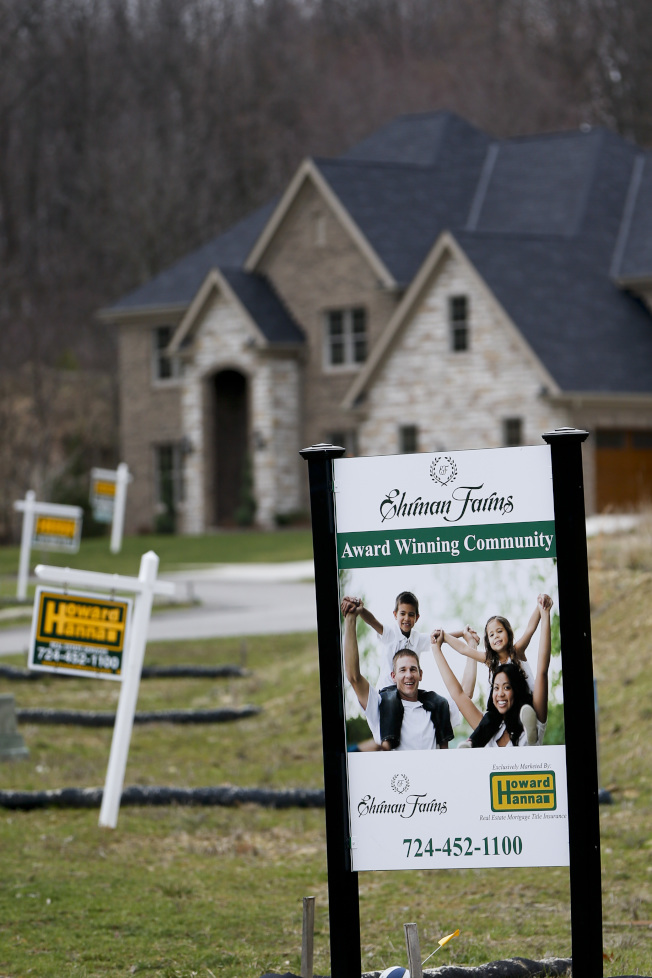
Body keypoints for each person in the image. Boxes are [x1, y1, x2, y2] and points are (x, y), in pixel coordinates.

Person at [341, 591, 470, 749]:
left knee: (440, 702)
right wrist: (360, 612)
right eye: (402, 614)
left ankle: (443, 745)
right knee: (391, 702)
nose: (406, 618)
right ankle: (388, 743)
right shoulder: (390, 633)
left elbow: (440, 636)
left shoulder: (418, 638)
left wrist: (463, 633)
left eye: (411, 615)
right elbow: (373, 622)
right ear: (395, 615)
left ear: (417, 617)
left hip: (412, 690)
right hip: (388, 690)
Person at [431, 594, 553, 748]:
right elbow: (464, 649)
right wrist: (445, 636)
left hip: (526, 701)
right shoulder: (490, 660)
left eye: (499, 631)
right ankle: (472, 742)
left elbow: (530, 629)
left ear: (509, 633)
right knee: (490, 716)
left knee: (524, 710)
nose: (496, 636)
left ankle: (530, 730)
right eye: (491, 634)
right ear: (488, 641)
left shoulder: (516, 651)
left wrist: (540, 607)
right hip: (499, 711)